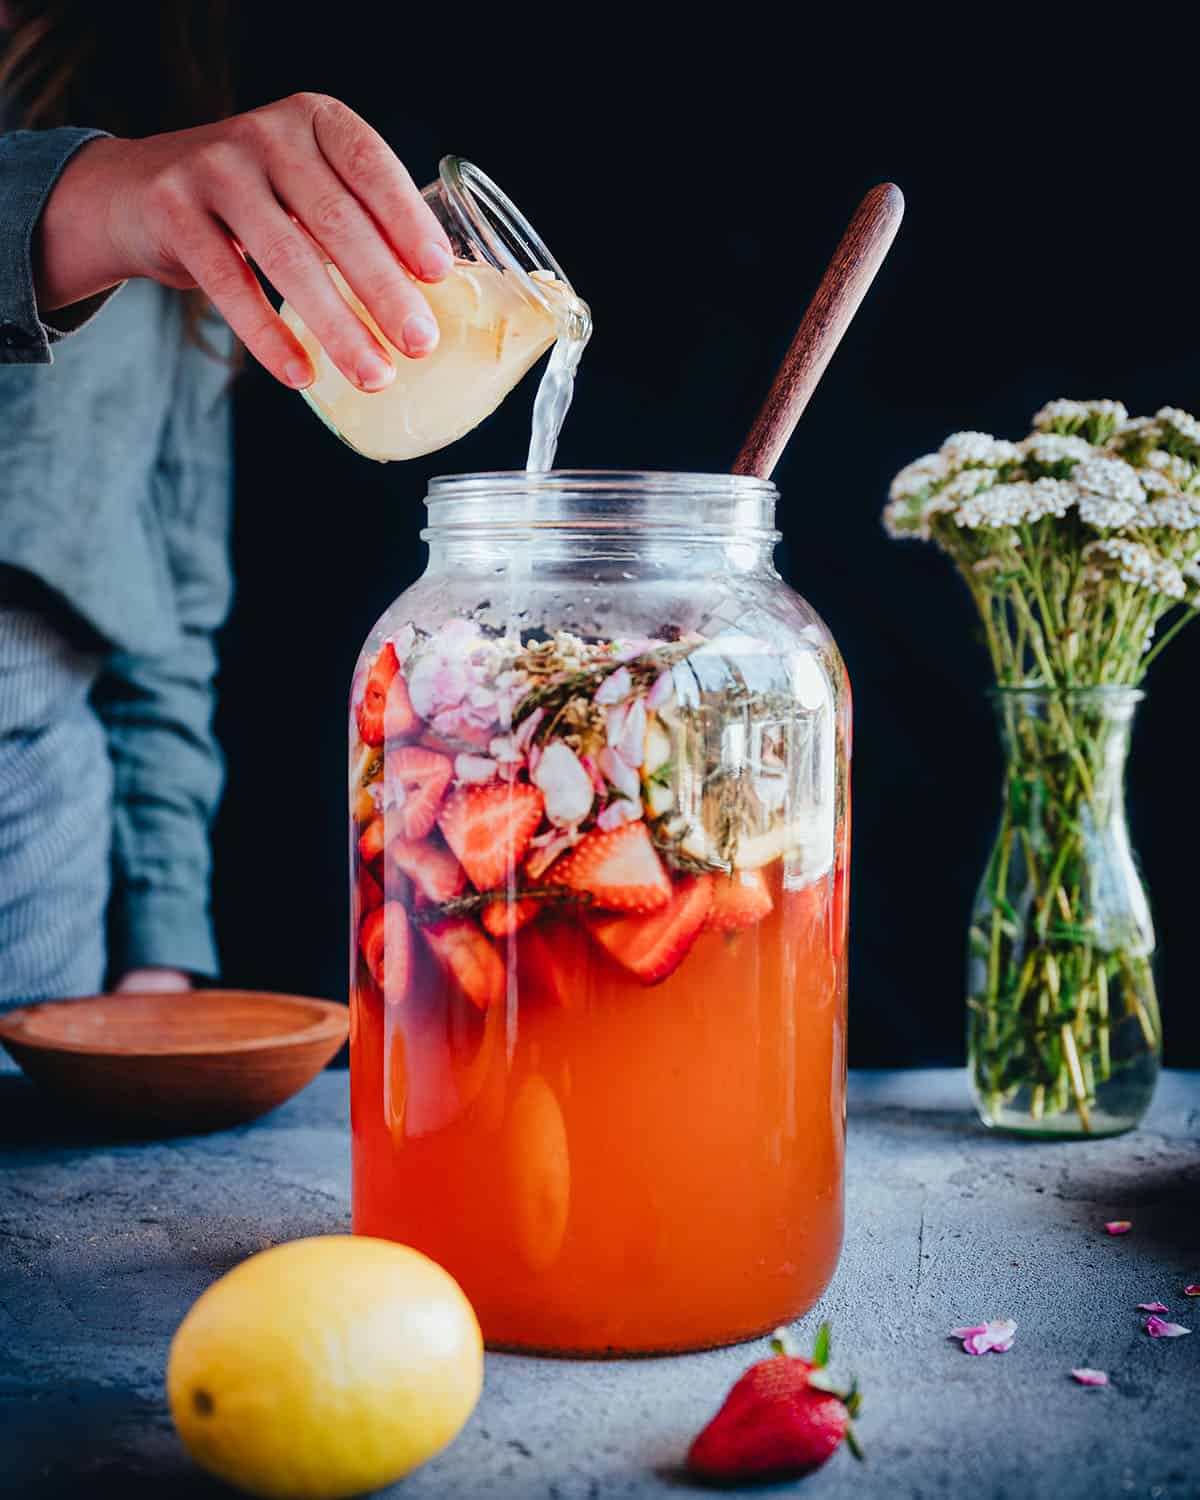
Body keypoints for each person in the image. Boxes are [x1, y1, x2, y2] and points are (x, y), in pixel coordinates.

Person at [0, 2, 451, 1010]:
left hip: (33, 832)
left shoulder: (163, 116)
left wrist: (160, 941)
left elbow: (168, 584)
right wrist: (84, 202)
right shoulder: (140, 173)